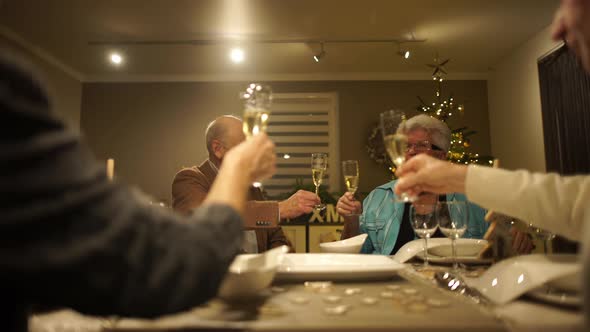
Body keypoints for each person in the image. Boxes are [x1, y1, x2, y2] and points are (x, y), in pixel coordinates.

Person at [0, 49, 277, 332]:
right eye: (240, 143)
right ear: (220, 149)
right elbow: (171, 258)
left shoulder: (253, 189)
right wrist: (240, 168)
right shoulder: (190, 178)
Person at [394, 0, 590, 326]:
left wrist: (511, 240)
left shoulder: (474, 203)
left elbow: (502, 247)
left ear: (442, 152)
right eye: (408, 146)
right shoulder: (383, 197)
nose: (557, 29)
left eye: (578, 2)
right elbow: (576, 202)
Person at [337, 115, 494, 255]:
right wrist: (351, 221)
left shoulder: (472, 199)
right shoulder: (379, 197)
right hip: (392, 283)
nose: (411, 151)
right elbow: (353, 255)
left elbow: (497, 247)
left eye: (420, 145)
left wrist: (517, 230)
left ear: (442, 155)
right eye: (405, 146)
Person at [172, 115, 321, 253]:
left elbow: (276, 238)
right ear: (217, 149)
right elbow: (206, 217)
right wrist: (279, 209)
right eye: (244, 149)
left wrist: (280, 264)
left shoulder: (250, 186)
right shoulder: (189, 179)